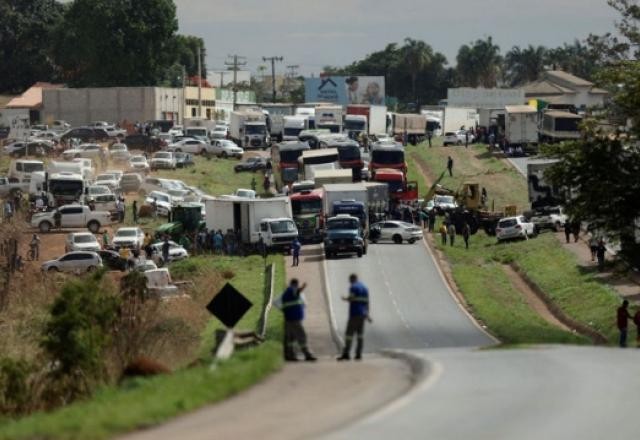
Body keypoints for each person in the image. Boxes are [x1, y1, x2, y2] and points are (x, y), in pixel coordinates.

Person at [276, 279, 316, 362]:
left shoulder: (287, 293)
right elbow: (297, 292)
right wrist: (303, 287)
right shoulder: (291, 290)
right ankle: (307, 354)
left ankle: (289, 354)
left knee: (291, 338)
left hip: (289, 319)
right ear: (295, 284)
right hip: (294, 320)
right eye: (297, 285)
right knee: (302, 335)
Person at [338, 274, 371, 361]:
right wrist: (367, 314)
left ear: (352, 279)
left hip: (354, 314)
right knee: (360, 336)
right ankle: (358, 354)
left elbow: (351, 298)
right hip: (362, 315)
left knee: (349, 335)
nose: (350, 282)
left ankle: (346, 353)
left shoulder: (353, 287)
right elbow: (367, 303)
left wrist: (344, 298)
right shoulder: (365, 288)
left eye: (350, 280)